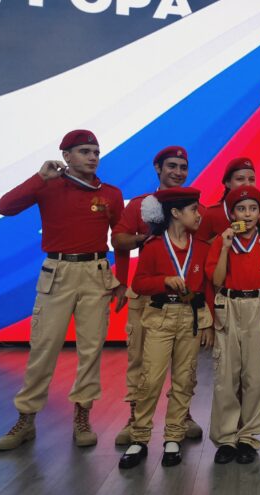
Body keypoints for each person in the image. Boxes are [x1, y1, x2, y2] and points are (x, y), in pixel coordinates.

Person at [0, 129, 127, 451]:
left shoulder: (111, 194)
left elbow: (121, 241)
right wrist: (39, 177)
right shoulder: (48, 186)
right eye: (84, 151)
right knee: (43, 348)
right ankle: (26, 419)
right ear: (66, 156)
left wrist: (122, 281)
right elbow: (4, 207)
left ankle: (82, 416)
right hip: (58, 272)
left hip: (96, 273)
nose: (92, 157)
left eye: (96, 152)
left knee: (91, 350)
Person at [111, 146, 205, 445]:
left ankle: (182, 416)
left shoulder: (193, 208)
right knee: (141, 359)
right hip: (148, 295)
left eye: (183, 167)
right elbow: (118, 240)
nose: (178, 172)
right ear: (157, 168)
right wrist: (147, 238)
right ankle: (136, 417)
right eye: (172, 166)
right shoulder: (142, 205)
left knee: (184, 364)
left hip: (185, 300)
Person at [196, 157, 260, 437]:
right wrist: (209, 314)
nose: (247, 184)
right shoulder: (213, 216)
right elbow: (208, 271)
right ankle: (232, 428)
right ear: (227, 183)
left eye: (251, 179)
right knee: (230, 371)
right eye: (240, 178)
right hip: (227, 301)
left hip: (259, 303)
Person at [118, 187, 214, 469]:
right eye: (193, 210)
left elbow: (208, 288)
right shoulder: (154, 246)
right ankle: (139, 438)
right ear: (175, 213)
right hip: (161, 317)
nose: (199, 215)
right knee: (151, 379)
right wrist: (164, 281)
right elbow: (139, 284)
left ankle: (173, 436)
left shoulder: (202, 247)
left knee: (185, 379)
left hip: (191, 318)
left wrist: (209, 323)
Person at [206, 186, 260, 464]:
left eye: (253, 209)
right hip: (229, 306)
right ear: (232, 214)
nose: (247, 214)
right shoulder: (222, 242)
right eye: (241, 209)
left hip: (259, 307)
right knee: (226, 376)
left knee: (257, 377)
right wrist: (225, 247)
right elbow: (217, 280)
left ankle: (249, 437)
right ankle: (226, 438)